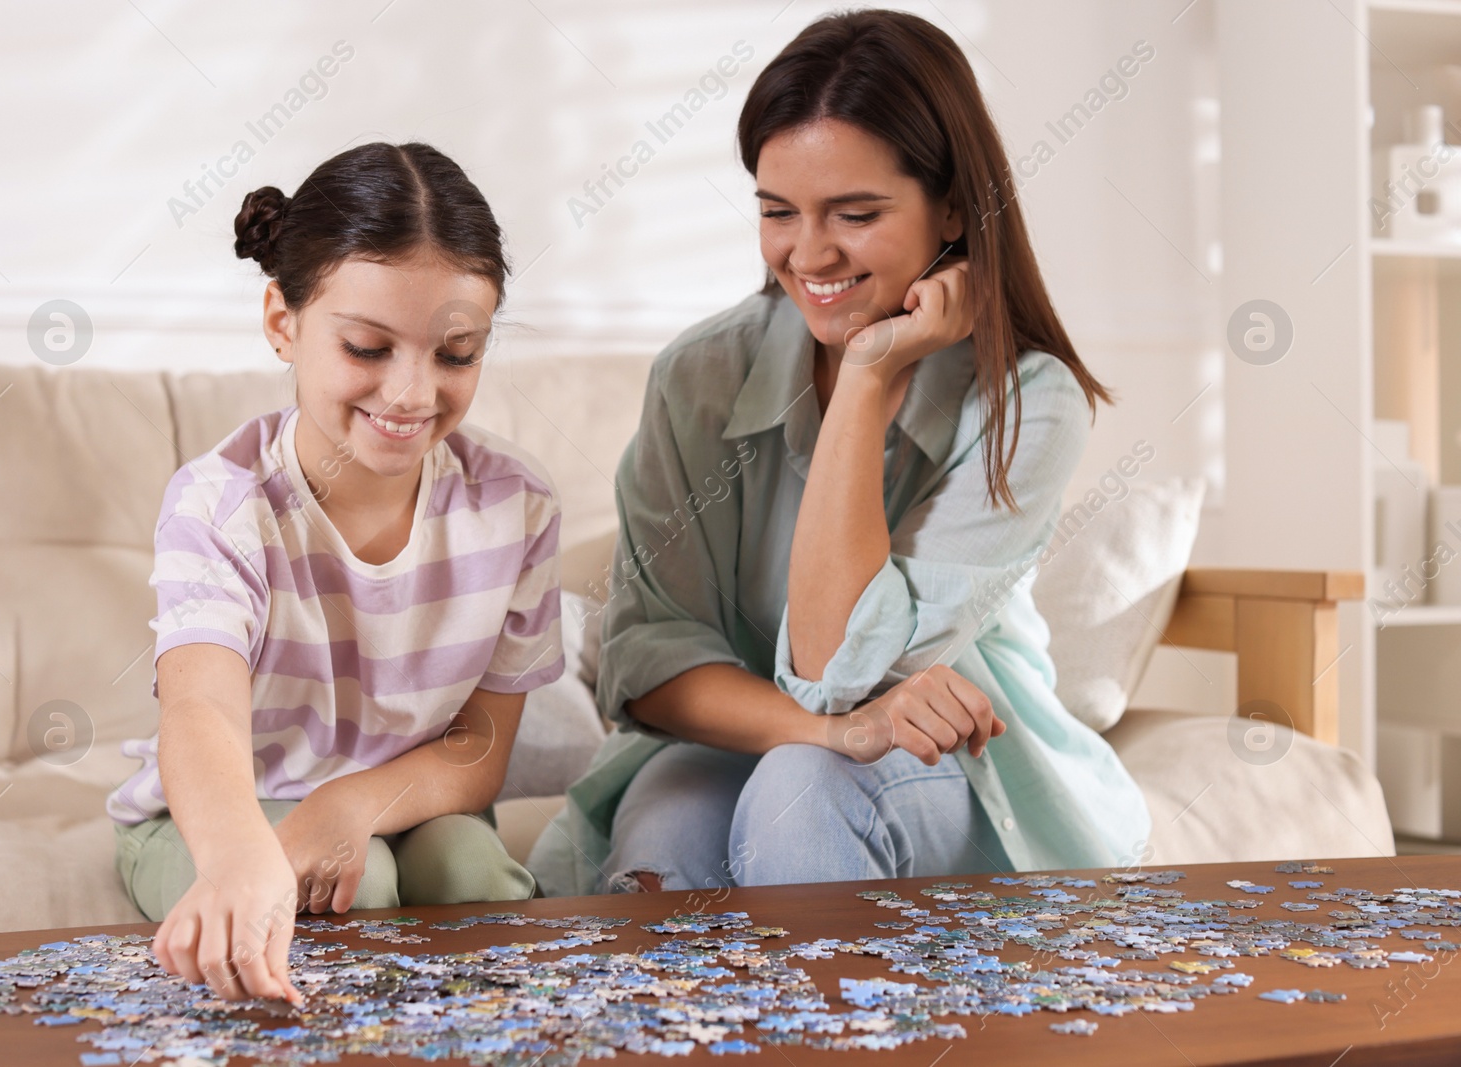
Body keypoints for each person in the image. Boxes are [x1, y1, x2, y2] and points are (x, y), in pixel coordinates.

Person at [529, 10, 1149, 898]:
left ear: (949, 209)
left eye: (854, 214)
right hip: (733, 741)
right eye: (778, 212)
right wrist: (825, 732)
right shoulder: (696, 377)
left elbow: (833, 669)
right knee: (671, 819)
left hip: (949, 761)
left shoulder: (1028, 403)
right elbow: (648, 661)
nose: (808, 253)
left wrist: (863, 380)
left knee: (803, 791)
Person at [106, 142, 563, 1002]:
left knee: (467, 865)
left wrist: (348, 808)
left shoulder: (518, 505)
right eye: (367, 346)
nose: (411, 393)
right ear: (283, 320)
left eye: (456, 353)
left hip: (406, 804)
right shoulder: (222, 503)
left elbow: (480, 748)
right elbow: (200, 707)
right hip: (221, 813)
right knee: (362, 893)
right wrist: (245, 855)